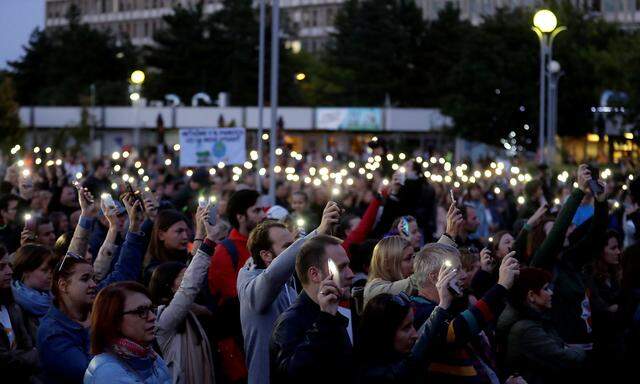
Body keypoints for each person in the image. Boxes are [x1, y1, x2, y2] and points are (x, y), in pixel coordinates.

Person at [37, 193, 145, 384]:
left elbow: (124, 273)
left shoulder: (95, 301)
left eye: (93, 278)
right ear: (63, 285)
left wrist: (134, 227)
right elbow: (93, 374)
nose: (94, 284)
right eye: (85, 279)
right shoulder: (53, 332)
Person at [238, 202, 340, 384]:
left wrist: (327, 234)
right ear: (266, 255)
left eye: (294, 245)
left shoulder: (291, 286)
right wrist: (316, 233)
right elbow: (272, 275)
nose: (296, 252)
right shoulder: (250, 285)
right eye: (288, 247)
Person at [410, 242, 520, 383]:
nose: (463, 275)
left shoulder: (453, 306)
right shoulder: (417, 311)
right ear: (434, 277)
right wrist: (502, 286)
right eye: (456, 270)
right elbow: (456, 332)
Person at [150, 205, 223, 384]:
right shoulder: (165, 319)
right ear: (170, 286)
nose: (184, 236)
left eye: (186, 230)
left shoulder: (190, 315)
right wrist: (210, 240)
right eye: (182, 279)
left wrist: (200, 231)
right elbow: (190, 284)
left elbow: (192, 270)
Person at [270, 235, 355, 384]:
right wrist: (325, 321)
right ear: (314, 274)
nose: (351, 274)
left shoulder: (333, 311)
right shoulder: (290, 322)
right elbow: (290, 375)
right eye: (341, 268)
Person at [356, 265, 456, 383]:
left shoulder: (395, 359)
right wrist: (443, 305)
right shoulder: (376, 375)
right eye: (406, 328)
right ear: (384, 333)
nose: (415, 335)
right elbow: (416, 357)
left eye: (412, 325)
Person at [208, 188, 265, 382]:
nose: (263, 215)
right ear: (241, 217)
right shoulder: (225, 252)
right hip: (239, 344)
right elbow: (235, 299)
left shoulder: (264, 246)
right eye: (256, 211)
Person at [497, 267, 587, 384]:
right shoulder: (527, 329)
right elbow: (563, 357)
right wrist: (580, 351)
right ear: (531, 296)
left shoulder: (535, 319)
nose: (551, 292)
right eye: (545, 289)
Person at [363, 203, 461, 304]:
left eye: (413, 257)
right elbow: (419, 276)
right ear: (387, 263)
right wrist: (449, 235)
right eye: (408, 258)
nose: (414, 263)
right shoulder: (374, 291)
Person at [84, 281, 171, 384]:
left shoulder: (149, 355)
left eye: (151, 309)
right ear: (114, 320)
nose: (152, 317)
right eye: (141, 311)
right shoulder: (108, 372)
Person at [0, 245, 40, 382]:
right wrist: (36, 354)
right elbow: (6, 362)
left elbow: (26, 344)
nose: (9, 271)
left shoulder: (13, 307)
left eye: (9, 266)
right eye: (1, 267)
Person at [11, 244, 55, 341]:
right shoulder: (15, 305)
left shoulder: (54, 297)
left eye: (51, 270)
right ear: (26, 271)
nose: (50, 275)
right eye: (44, 270)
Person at [143, 209, 190, 283]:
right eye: (179, 231)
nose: (185, 236)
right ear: (161, 235)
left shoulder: (187, 258)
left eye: (186, 231)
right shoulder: (153, 270)